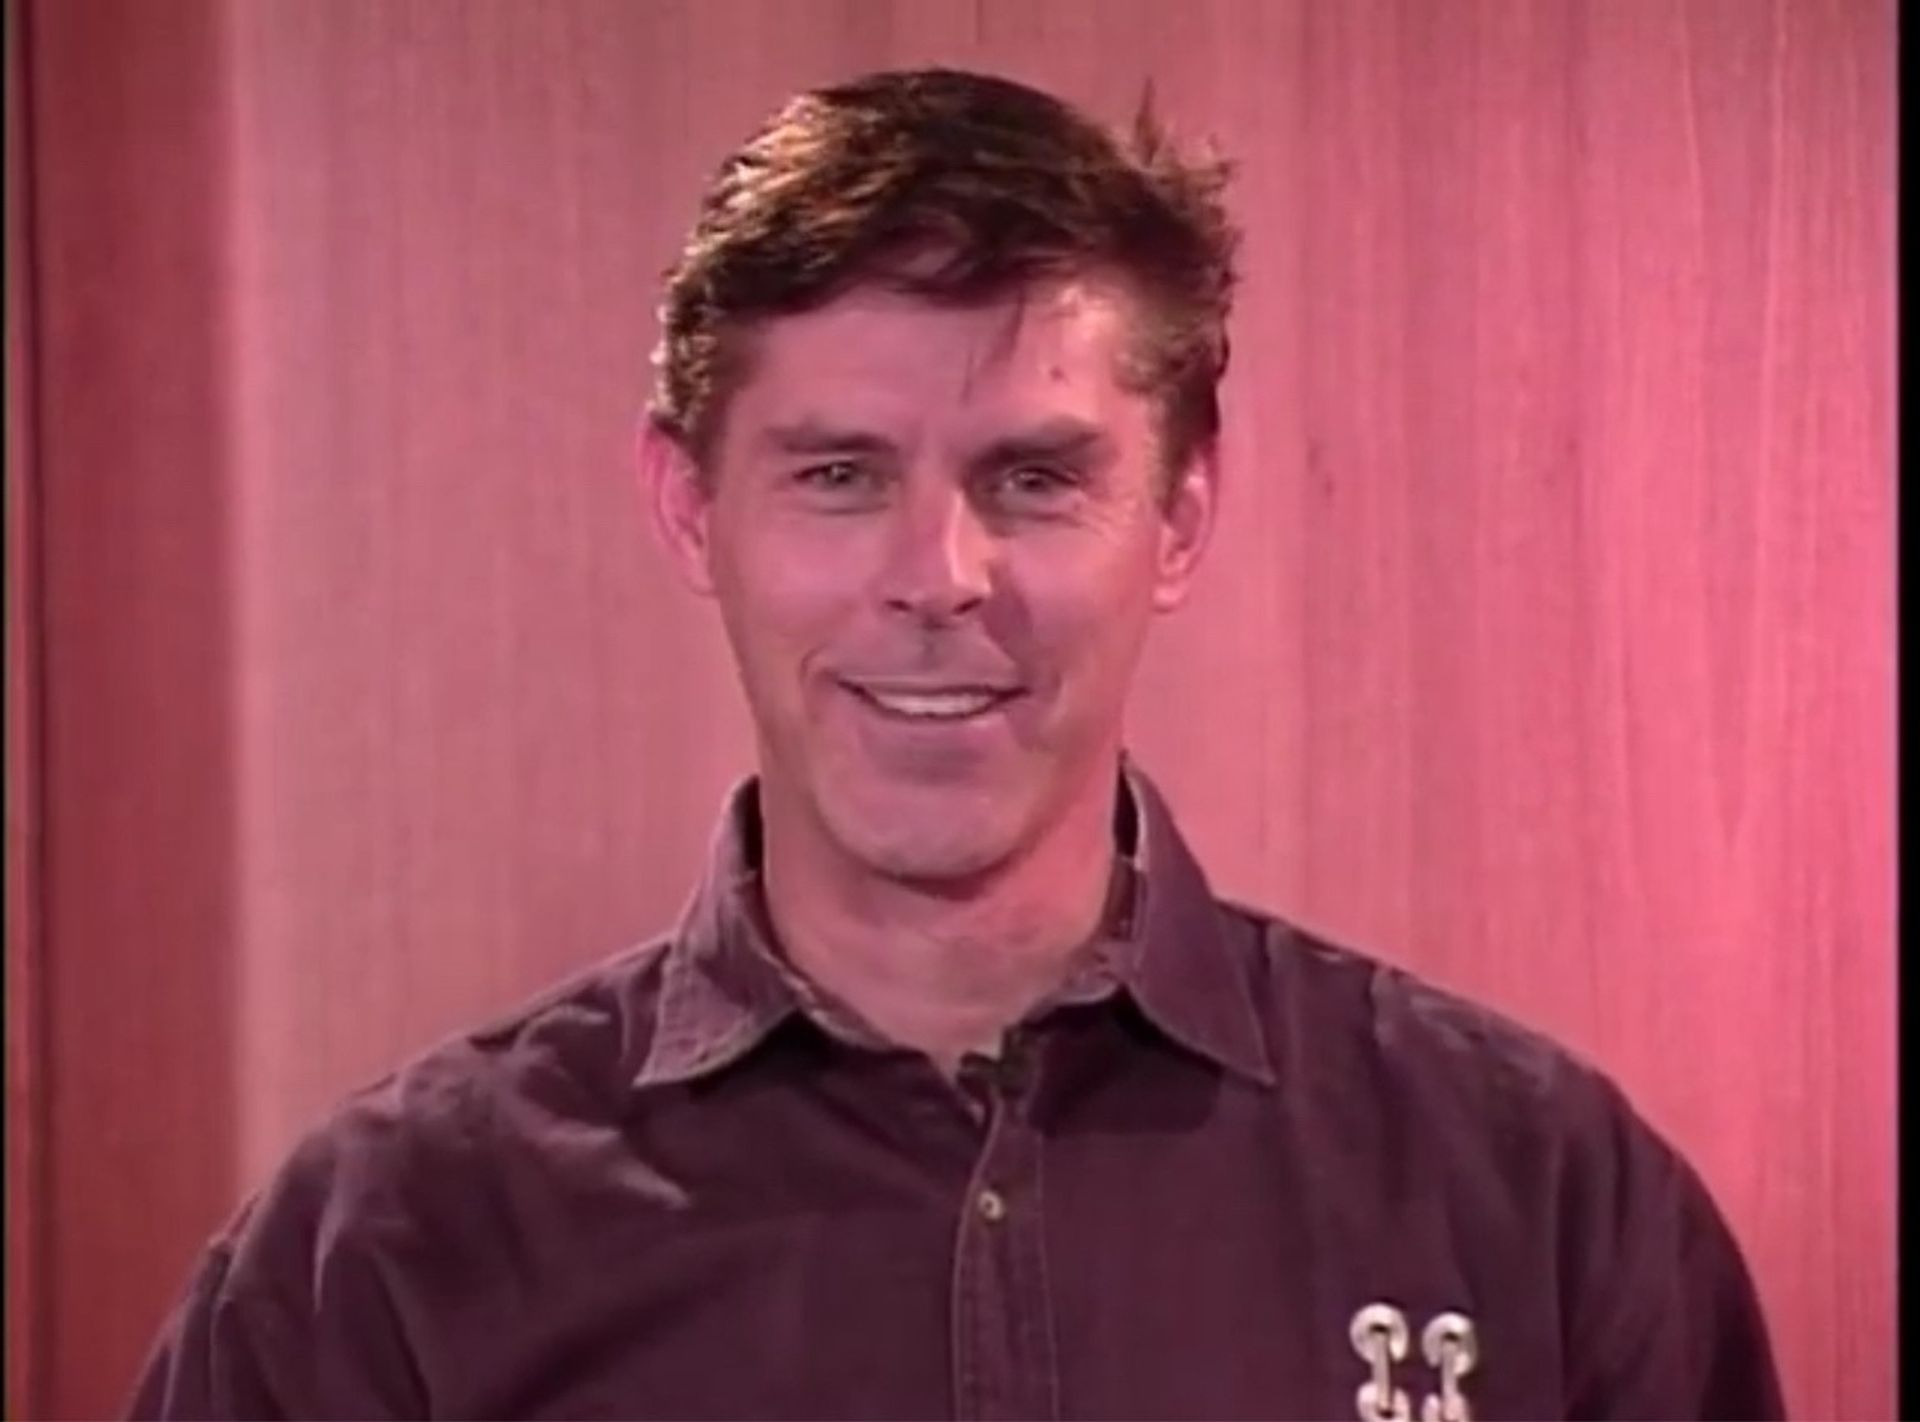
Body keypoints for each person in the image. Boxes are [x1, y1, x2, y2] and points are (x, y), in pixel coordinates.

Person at [129, 67, 1783, 1421]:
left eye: (1035, 477)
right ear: (690, 507)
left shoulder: (1543, 1200)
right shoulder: (387, 1259)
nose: (937, 580)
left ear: (1182, 515)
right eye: (838, 474)